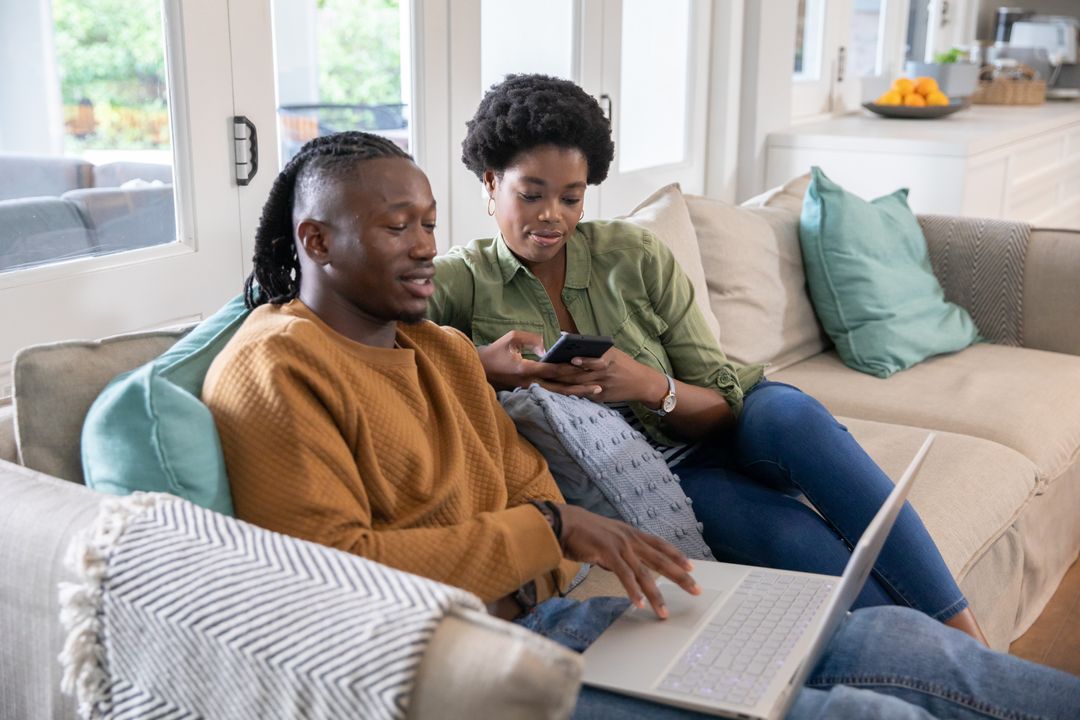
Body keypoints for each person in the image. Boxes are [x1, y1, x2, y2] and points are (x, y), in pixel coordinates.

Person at [202, 131, 1080, 719]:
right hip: (456, 669)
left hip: (559, 622)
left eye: (429, 224)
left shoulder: (435, 347)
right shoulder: (276, 367)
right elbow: (332, 573)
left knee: (896, 642)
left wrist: (565, 543)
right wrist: (550, 529)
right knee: (865, 714)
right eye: (399, 227)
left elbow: (523, 480)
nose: (427, 245)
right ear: (316, 241)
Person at [427, 73, 988, 644]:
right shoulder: (459, 281)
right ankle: (945, 658)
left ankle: (970, 638)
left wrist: (648, 385)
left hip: (731, 420)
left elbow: (722, 402)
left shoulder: (633, 254)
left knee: (795, 418)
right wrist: (477, 363)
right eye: (532, 195)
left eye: (571, 198)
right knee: (789, 537)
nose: (553, 215)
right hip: (662, 475)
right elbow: (385, 343)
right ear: (491, 182)